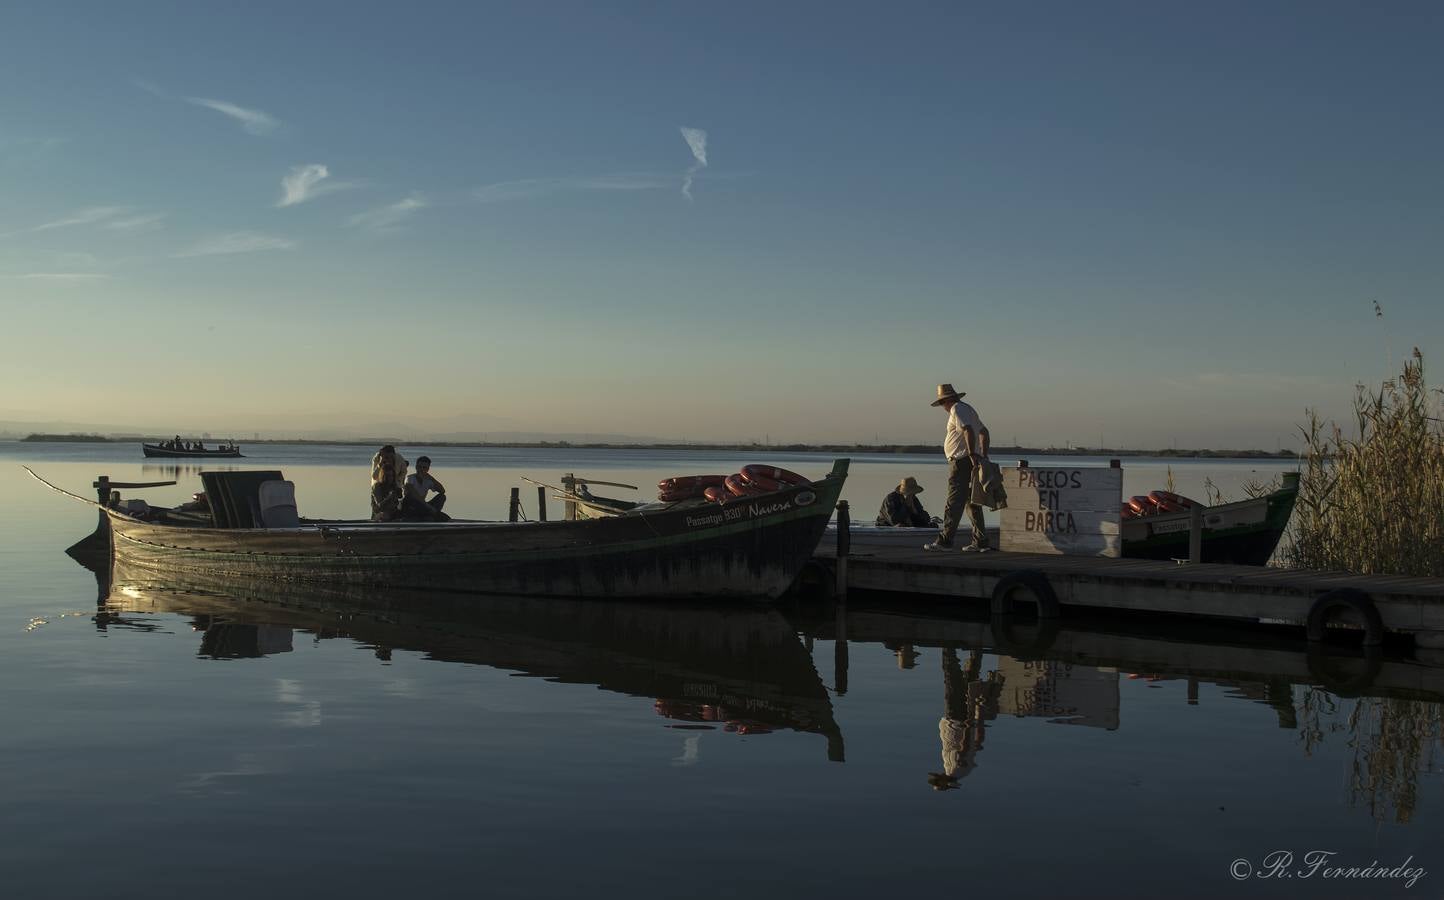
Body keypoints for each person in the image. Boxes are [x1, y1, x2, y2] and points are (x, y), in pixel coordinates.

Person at [923, 383, 992, 552]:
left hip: (961, 461)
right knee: (972, 501)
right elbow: (984, 432)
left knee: (954, 501)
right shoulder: (969, 409)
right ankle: (980, 541)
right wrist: (983, 454)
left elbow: (968, 430)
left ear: (947, 400)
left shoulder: (956, 409)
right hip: (969, 461)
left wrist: (972, 453)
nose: (943, 407)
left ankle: (945, 541)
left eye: (942, 403)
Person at [401, 455, 450, 521]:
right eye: (419, 467)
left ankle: (429, 515)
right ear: (416, 467)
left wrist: (432, 478)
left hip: (424, 506)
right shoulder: (410, 478)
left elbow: (442, 491)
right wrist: (429, 507)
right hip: (411, 506)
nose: (421, 469)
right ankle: (432, 514)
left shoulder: (428, 480)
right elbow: (413, 494)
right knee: (412, 500)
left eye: (424, 468)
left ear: (427, 469)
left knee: (442, 497)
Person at [370, 445, 408, 521]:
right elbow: (374, 476)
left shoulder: (399, 458)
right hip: (379, 484)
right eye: (385, 456)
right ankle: (374, 522)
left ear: (393, 455)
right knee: (379, 509)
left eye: (389, 456)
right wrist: (380, 464)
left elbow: (404, 471)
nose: (387, 458)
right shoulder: (377, 459)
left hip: (394, 483)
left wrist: (397, 482)